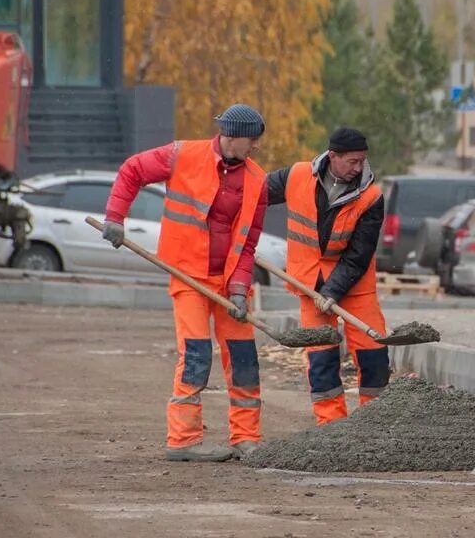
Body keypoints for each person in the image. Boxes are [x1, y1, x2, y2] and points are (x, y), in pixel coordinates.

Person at [102, 104, 268, 462]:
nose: (256, 147)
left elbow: (248, 242)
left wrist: (239, 289)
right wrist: (115, 218)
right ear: (232, 136)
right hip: (188, 275)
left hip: (228, 283)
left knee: (244, 359)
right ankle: (184, 440)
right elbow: (132, 170)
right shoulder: (182, 155)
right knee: (195, 354)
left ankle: (246, 437)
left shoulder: (257, 180)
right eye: (252, 140)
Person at [266, 127, 389, 425]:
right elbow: (253, 194)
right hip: (310, 283)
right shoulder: (296, 176)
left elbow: (359, 255)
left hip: (355, 285)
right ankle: (331, 425)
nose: (358, 168)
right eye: (352, 161)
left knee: (373, 353)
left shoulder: (371, 196)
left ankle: (374, 422)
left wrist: (333, 291)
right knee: (321, 357)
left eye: (362, 161)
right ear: (333, 156)